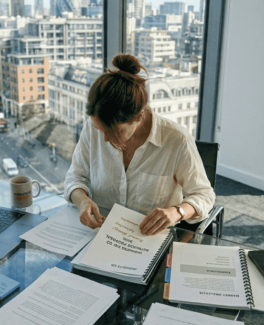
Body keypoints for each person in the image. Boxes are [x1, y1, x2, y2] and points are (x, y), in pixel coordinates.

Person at [64, 54, 215, 236]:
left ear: (138, 117)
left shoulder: (177, 141)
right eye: (99, 128)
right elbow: (75, 176)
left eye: (113, 132)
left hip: (148, 241)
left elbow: (205, 196)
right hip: (98, 233)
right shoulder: (92, 128)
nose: (104, 139)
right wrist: (82, 201)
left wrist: (176, 212)